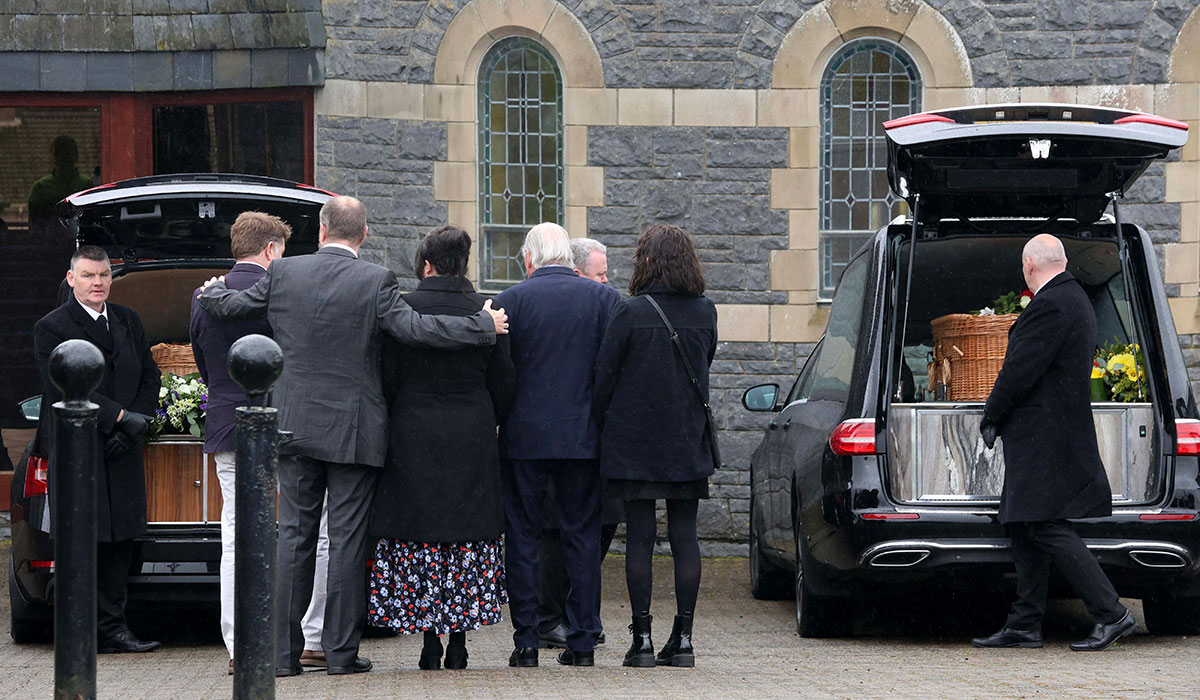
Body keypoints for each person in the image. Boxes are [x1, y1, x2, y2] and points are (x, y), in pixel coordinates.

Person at [198, 196, 508, 677]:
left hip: (292, 425)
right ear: (363, 235)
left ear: (321, 231)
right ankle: (340, 654)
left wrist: (210, 291)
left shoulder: (283, 274)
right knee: (344, 541)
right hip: (355, 430)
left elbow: (229, 306)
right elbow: (417, 331)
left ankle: (282, 654)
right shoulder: (376, 280)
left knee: (294, 537)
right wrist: (481, 325)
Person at [972, 233, 1136, 652]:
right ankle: (1025, 622)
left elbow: (1019, 369)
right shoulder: (1076, 298)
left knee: (1045, 525)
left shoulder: (1049, 304)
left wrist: (991, 415)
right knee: (1026, 525)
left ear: (1029, 265)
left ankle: (1111, 613)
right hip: (1051, 432)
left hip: (1042, 435)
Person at [367, 225, 516, 670]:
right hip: (470, 429)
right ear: (463, 264)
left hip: (413, 429)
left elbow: (386, 376)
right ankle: (459, 641)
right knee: (464, 532)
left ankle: (428, 640)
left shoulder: (403, 308)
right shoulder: (490, 311)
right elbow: (505, 385)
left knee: (422, 533)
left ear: (426, 264)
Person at [189, 211, 330, 674]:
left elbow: (206, 368)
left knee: (236, 536)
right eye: (283, 250)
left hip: (229, 423)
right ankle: (310, 637)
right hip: (289, 424)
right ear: (271, 249)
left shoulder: (202, 296)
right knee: (308, 532)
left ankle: (241, 646)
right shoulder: (286, 292)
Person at [494, 222, 620, 668]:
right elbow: (610, 373)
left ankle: (526, 641)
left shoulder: (510, 302)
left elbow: (501, 375)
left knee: (523, 539)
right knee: (582, 539)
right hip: (584, 438)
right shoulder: (605, 300)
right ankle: (583, 642)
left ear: (529, 259)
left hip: (524, 438)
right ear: (568, 256)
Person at [593, 224, 718, 668]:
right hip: (687, 438)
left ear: (646, 261)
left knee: (640, 537)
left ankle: (641, 641)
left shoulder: (630, 312)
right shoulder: (706, 311)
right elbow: (704, 363)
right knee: (686, 535)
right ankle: (683, 641)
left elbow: (603, 379)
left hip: (635, 441)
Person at [32, 245, 161, 653]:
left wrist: (135, 423)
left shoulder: (128, 320)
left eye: (104, 275)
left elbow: (150, 374)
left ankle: (114, 629)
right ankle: (77, 632)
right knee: (80, 540)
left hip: (123, 449)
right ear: (71, 279)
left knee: (121, 539)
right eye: (88, 275)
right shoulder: (50, 326)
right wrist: (120, 418)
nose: (98, 283)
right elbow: (63, 382)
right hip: (79, 450)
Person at [538, 236, 622, 649]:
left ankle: (580, 613)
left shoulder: (606, 307)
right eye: (600, 274)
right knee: (557, 530)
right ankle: (552, 616)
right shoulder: (574, 308)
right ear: (577, 273)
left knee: (600, 525)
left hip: (600, 439)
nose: (607, 281)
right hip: (567, 437)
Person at [28, 135, 92, 221]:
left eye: (67, 154)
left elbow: (34, 225)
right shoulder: (87, 186)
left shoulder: (41, 188)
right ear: (76, 156)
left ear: (54, 157)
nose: (65, 157)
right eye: (63, 154)